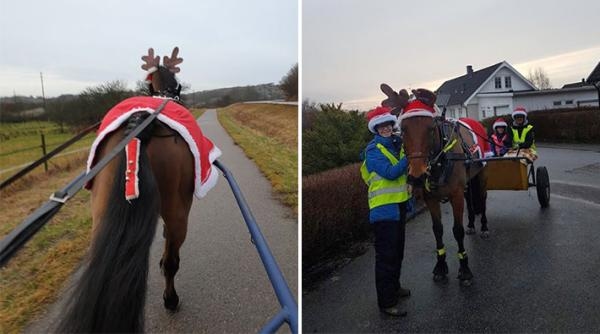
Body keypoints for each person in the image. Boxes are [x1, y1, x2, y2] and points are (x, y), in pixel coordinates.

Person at [360, 106, 411, 317]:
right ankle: (387, 302)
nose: (386, 129)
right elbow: (391, 173)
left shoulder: (396, 145)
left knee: (397, 252)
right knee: (385, 257)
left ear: (392, 125)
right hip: (383, 210)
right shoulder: (373, 151)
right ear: (376, 129)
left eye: (388, 125)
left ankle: (395, 287)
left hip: (398, 206)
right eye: (381, 127)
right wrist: (411, 157)